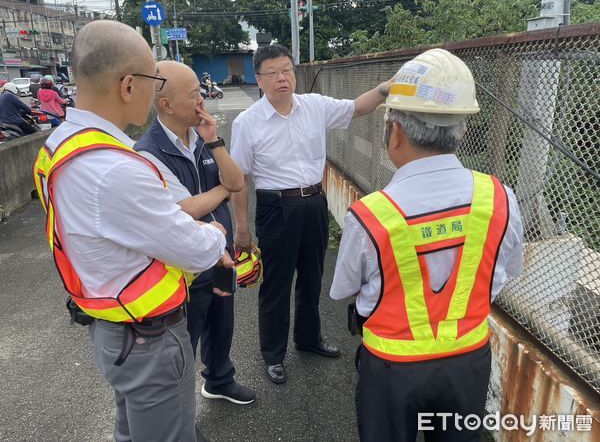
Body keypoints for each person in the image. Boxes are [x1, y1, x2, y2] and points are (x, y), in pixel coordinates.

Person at [32, 20, 231, 442]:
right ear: (128, 85)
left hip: (112, 323)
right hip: (149, 338)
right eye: (153, 79)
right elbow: (195, 251)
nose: (155, 90)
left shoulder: (60, 146)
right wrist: (214, 230)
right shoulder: (116, 169)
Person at [329, 49, 524, 442]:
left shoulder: (372, 214)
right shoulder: (499, 198)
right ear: (462, 130)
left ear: (394, 131)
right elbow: (503, 274)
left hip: (390, 368)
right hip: (468, 362)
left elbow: (344, 289)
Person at [230, 44, 396, 384]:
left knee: (311, 277)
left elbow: (357, 108)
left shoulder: (315, 106)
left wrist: (384, 89)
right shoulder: (247, 123)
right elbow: (239, 180)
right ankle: (273, 354)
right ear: (259, 79)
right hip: (276, 208)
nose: (282, 78)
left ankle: (308, 339)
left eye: (287, 70)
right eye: (272, 73)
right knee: (276, 284)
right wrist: (242, 228)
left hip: (313, 203)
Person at [134, 60, 256, 405]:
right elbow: (184, 209)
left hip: (221, 255)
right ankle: (180, 411)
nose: (201, 100)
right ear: (166, 104)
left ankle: (220, 379)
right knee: (186, 339)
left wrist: (214, 141)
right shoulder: (148, 152)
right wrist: (221, 192)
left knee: (222, 322)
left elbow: (237, 181)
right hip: (185, 266)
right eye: (193, 95)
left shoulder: (203, 138)